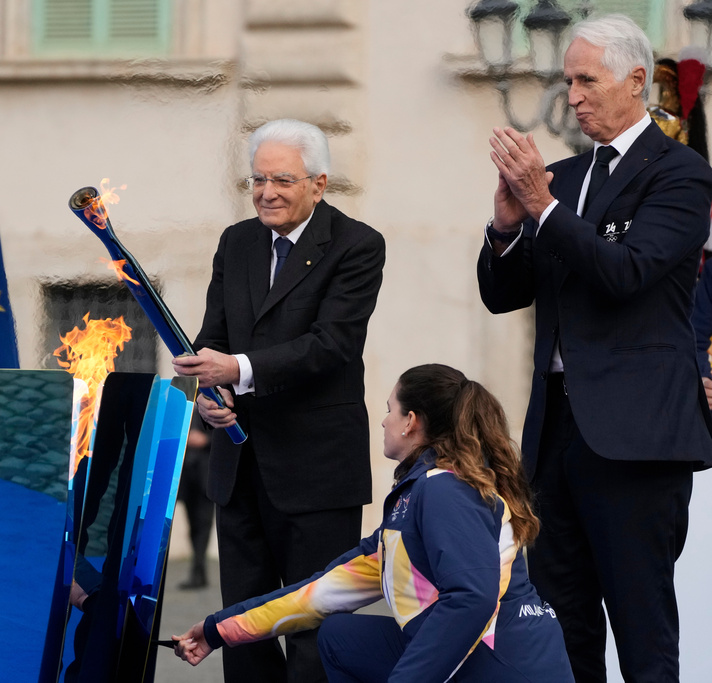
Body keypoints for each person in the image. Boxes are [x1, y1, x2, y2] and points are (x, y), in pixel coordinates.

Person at [478, 14, 712, 682]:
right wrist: (505, 227)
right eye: (569, 82)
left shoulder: (681, 173)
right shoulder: (560, 176)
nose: (573, 96)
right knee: (561, 627)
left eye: (587, 80)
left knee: (642, 634)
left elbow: (625, 273)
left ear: (636, 80)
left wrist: (544, 207)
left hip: (636, 438)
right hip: (555, 432)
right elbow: (503, 294)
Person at [172, 364, 573, 682]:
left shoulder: (444, 489)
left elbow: (473, 598)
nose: (383, 421)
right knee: (340, 637)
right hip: (485, 653)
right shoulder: (420, 495)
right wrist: (217, 630)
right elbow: (319, 592)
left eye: (389, 409)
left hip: (506, 663)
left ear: (410, 421)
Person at [171, 118, 385, 682]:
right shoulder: (236, 241)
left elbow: (332, 345)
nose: (266, 192)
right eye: (258, 180)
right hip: (238, 468)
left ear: (319, 183)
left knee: (314, 629)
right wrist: (209, 394)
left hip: (316, 472)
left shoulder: (357, 245)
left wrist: (236, 369)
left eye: (282, 180)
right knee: (243, 628)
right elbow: (212, 337)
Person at [176, 411, 214, 590]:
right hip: (187, 478)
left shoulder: (216, 403)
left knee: (203, 526)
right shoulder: (185, 408)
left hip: (205, 479)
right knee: (193, 527)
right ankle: (199, 572)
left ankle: (198, 571)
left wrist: (205, 440)